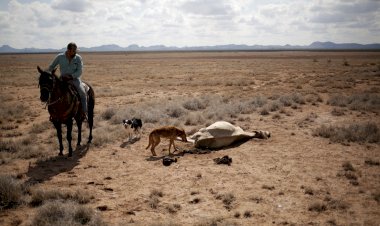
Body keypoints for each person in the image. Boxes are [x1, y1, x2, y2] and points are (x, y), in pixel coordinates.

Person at [48, 42, 87, 119]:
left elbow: (79, 71)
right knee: (52, 93)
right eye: (73, 51)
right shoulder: (60, 57)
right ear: (68, 50)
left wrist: (71, 76)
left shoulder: (78, 58)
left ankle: (84, 112)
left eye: (75, 51)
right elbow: (51, 66)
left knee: (82, 93)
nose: (75, 52)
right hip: (62, 80)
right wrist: (49, 73)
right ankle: (52, 113)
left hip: (74, 80)